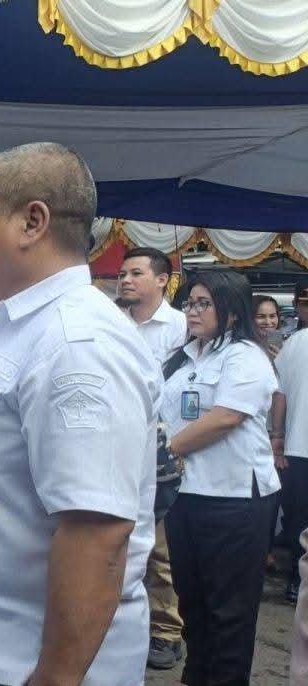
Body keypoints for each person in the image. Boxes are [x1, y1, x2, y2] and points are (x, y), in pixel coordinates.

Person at [0, 143, 155, 686]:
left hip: (22, 668)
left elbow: (98, 534)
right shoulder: (16, 326)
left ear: (31, 222)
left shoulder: (76, 342)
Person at [159, 271, 279, 685]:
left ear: (230, 313)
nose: (192, 312)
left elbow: (225, 417)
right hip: (186, 495)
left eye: (203, 303)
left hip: (234, 501)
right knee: (193, 606)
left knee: (229, 614)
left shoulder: (245, 355)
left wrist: (163, 451)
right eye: (189, 303)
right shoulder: (185, 356)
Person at [113, 245, 188, 671]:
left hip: (162, 450)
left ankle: (165, 631)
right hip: (119, 443)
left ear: (162, 280)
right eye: (122, 273)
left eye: (136, 273)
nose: (125, 279)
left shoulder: (179, 328)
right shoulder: (111, 323)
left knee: (158, 551)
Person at [278, 289, 308, 603]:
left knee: (300, 519)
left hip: (297, 447)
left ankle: (297, 582)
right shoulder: (297, 342)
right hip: (297, 445)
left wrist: (277, 439)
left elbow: (279, 396)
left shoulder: (295, 342)